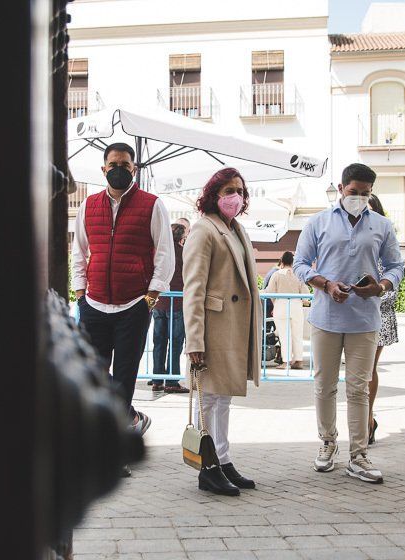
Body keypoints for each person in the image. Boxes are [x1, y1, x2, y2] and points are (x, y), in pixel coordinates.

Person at [293, 163, 404, 483]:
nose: (359, 198)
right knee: (324, 386)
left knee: (359, 389)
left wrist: (381, 286)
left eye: (366, 194)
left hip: (365, 318)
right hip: (326, 317)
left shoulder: (382, 225)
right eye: (354, 192)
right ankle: (328, 443)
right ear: (341, 189)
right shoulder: (318, 222)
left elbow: (396, 267)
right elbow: (300, 264)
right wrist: (324, 283)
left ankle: (359, 454)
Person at [71, 142, 175, 476]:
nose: (120, 168)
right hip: (95, 302)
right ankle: (128, 421)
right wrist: (80, 290)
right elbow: (79, 251)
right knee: (96, 374)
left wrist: (152, 293)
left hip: (134, 303)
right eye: (114, 163)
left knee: (126, 373)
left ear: (135, 169)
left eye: (126, 164)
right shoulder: (88, 206)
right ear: (104, 169)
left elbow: (164, 253)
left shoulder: (152, 205)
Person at [183, 167, 262, 497]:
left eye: (240, 191)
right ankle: (209, 467)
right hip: (214, 328)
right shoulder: (204, 229)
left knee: (224, 398)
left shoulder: (237, 229)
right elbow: (193, 288)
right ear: (214, 194)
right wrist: (194, 340)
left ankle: (224, 460)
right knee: (211, 400)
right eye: (229, 190)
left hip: (234, 327)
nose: (236, 197)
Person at [365, 194, 399, 445]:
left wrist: (377, 291)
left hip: (378, 314)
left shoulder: (384, 237)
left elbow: (395, 274)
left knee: (367, 369)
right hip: (351, 312)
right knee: (359, 371)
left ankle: (367, 418)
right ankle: (364, 420)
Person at [151, 223, 190, 393]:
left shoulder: (160, 253)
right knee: (175, 343)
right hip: (178, 302)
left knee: (159, 342)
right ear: (182, 237)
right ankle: (172, 381)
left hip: (159, 301)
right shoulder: (184, 253)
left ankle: (157, 379)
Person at [263, 251, 310, 370]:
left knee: (284, 335)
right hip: (296, 305)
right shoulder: (298, 275)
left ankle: (286, 361)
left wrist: (274, 305)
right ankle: (298, 360)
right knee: (297, 334)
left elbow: (270, 292)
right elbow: (306, 295)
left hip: (281, 304)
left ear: (282, 262)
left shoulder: (277, 274)